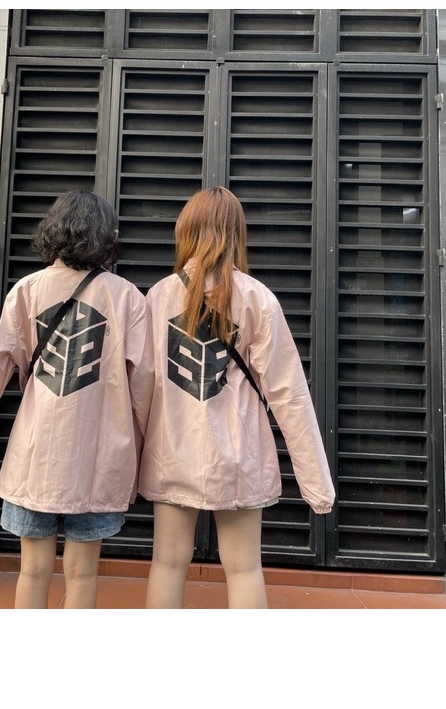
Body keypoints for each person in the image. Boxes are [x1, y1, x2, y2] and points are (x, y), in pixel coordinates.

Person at [0, 190, 151, 609]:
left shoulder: (27, 291)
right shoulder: (127, 297)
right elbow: (144, 393)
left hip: (36, 459)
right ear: (107, 236)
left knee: (33, 571)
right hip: (99, 460)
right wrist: (138, 466)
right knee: (84, 573)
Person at [138, 187, 335, 608]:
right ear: (236, 233)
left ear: (186, 231)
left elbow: (142, 386)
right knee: (244, 568)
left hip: (172, 451)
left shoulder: (158, 296)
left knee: (167, 563)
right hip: (240, 455)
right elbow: (289, 395)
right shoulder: (258, 298)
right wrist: (317, 486)